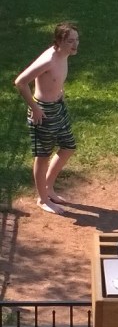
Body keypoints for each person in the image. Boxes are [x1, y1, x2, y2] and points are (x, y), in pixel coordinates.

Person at [14, 22, 80, 215]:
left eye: (77, 40)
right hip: (43, 112)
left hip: (58, 107)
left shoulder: (64, 54)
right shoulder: (49, 59)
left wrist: (59, 92)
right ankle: (43, 199)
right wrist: (34, 108)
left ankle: (48, 187)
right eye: (70, 41)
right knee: (42, 157)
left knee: (68, 147)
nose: (75, 45)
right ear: (59, 41)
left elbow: (53, 80)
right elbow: (20, 82)